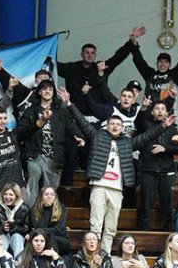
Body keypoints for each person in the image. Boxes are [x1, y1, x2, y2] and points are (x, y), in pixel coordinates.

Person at [60, 87, 177, 254]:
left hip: (117, 189)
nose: (115, 127)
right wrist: (69, 103)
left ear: (122, 128)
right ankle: (92, 258)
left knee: (110, 229)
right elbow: (82, 122)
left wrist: (164, 125)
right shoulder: (97, 136)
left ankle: (104, 259)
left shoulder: (127, 143)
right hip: (99, 186)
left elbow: (146, 137)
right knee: (96, 226)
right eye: (112, 124)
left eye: (118, 125)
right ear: (107, 126)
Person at [57, 29, 140, 184]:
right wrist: (50, 44)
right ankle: (67, 186)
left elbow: (118, 57)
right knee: (71, 151)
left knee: (92, 152)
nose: (89, 55)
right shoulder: (70, 68)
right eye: (87, 52)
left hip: (96, 120)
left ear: (95, 55)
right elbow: (52, 64)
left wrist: (132, 42)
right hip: (75, 119)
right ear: (81, 54)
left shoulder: (100, 67)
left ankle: (90, 185)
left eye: (92, 53)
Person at [15, 79, 80, 205]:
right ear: (39, 92)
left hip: (54, 157)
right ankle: (30, 211)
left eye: (50, 89)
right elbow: (19, 133)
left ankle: (48, 216)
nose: (47, 91)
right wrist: (38, 123)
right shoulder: (30, 111)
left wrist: (79, 136)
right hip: (35, 154)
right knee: (34, 173)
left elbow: (71, 126)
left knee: (50, 191)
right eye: (44, 89)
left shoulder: (61, 111)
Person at [136, 100, 178, 231]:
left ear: (167, 112)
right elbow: (137, 124)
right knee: (146, 205)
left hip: (167, 171)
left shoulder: (173, 128)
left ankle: (168, 234)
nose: (160, 111)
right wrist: (143, 108)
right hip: (148, 170)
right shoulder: (146, 125)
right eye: (157, 108)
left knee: (167, 205)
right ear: (152, 112)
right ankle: (143, 233)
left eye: (163, 108)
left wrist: (165, 148)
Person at [130, 29, 178, 103]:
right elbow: (138, 60)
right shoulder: (150, 74)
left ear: (169, 65)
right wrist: (134, 42)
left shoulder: (174, 75)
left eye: (166, 62)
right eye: (160, 62)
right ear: (157, 63)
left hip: (168, 113)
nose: (163, 64)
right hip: (150, 112)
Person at [0, 183, 30, 259]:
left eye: (11, 195)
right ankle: (0, 263)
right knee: (3, 237)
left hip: (17, 237)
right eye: (5, 194)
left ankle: (19, 265)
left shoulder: (24, 208)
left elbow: (26, 229)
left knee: (17, 237)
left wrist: (14, 227)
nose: (8, 197)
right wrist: (2, 228)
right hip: (2, 235)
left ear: (16, 196)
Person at [28, 186, 70, 256]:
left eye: (52, 194)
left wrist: (42, 231)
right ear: (41, 196)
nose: (49, 197)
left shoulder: (61, 208)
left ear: (55, 196)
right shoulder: (35, 209)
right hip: (42, 239)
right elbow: (38, 228)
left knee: (50, 238)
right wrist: (43, 210)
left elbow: (59, 229)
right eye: (46, 194)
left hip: (61, 240)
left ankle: (53, 262)